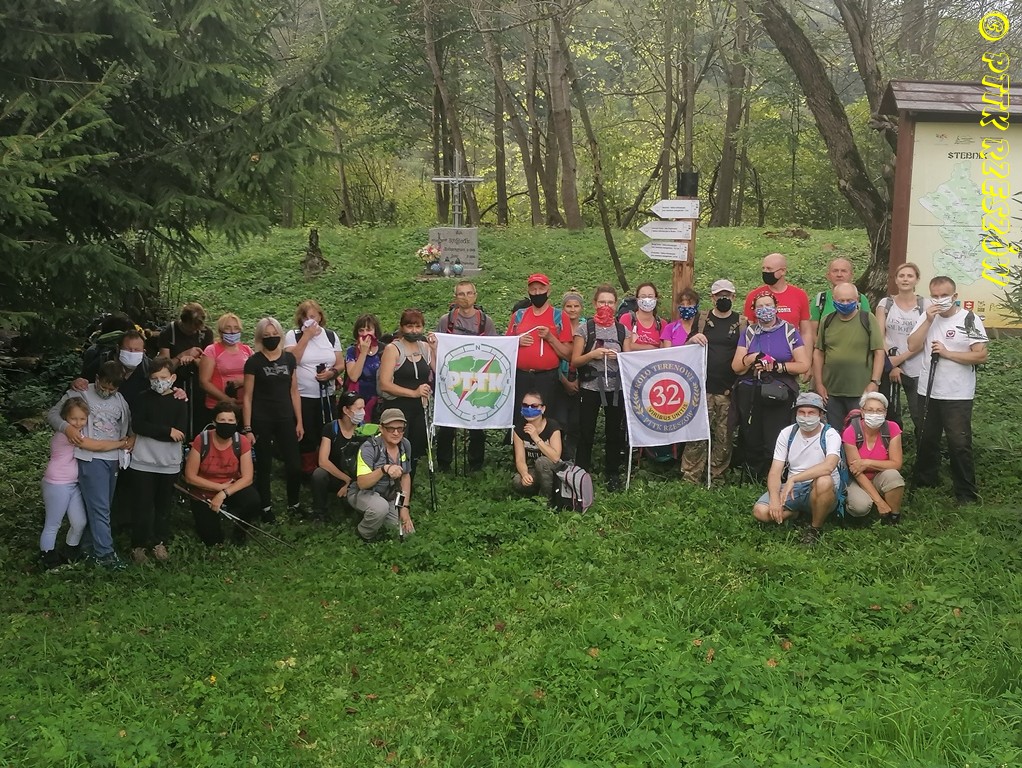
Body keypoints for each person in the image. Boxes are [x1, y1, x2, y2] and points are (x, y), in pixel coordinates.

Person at [907, 275, 988, 503]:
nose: (940, 299)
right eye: (935, 296)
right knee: (926, 437)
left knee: (959, 443)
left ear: (954, 296)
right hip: (927, 390)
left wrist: (947, 353)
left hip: (957, 393)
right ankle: (926, 481)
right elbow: (912, 345)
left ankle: (966, 492)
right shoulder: (926, 316)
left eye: (944, 295)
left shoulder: (969, 318)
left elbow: (980, 355)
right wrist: (927, 321)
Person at [47, 361, 134, 571]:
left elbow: (129, 425)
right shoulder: (81, 392)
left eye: (112, 389)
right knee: (100, 508)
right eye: (104, 386)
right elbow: (52, 415)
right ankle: (105, 555)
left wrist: (131, 439)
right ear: (97, 379)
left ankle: (88, 548)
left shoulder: (120, 400)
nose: (107, 392)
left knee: (100, 508)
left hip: (113, 459)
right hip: (90, 457)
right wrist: (67, 428)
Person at [732, 291, 810, 480]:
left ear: (776, 308)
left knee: (776, 434)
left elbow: (803, 364)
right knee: (752, 434)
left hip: (779, 388)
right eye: (760, 306)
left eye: (768, 305)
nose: (765, 309)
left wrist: (778, 366)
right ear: (754, 310)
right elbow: (736, 367)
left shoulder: (789, 331)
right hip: (753, 387)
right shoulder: (749, 332)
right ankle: (752, 475)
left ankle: (776, 475)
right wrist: (751, 358)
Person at [752, 392, 840, 546]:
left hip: (820, 488)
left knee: (824, 481)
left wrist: (794, 478)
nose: (806, 417)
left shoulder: (830, 434)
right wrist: (774, 499)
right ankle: (795, 513)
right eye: (802, 412)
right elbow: (775, 471)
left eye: (811, 413)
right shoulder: (787, 433)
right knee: (760, 512)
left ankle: (815, 528)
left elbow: (829, 466)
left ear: (821, 415)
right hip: (793, 489)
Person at [681, 279, 746, 485]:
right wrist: (692, 339)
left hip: (728, 390)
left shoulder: (742, 323)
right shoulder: (702, 320)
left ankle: (716, 476)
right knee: (696, 434)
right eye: (719, 295)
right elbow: (685, 349)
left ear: (734, 297)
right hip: (702, 388)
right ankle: (691, 476)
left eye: (727, 295)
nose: (723, 298)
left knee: (724, 436)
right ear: (712, 297)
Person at [124, 357, 188, 563]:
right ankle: (138, 545)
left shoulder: (179, 401)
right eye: (154, 378)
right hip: (142, 461)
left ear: (173, 378)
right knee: (142, 505)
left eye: (163, 377)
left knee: (163, 506)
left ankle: (160, 542)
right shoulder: (143, 398)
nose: (159, 382)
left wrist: (159, 431)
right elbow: (139, 425)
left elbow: (181, 432)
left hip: (169, 463)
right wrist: (167, 431)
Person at [242, 317, 303, 521]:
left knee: (294, 465)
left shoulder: (289, 359)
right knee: (264, 465)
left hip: (285, 417)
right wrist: (248, 427)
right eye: (266, 335)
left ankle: (294, 503)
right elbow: (247, 396)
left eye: (274, 334)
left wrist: (299, 421)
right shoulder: (254, 362)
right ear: (260, 337)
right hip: (262, 419)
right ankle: (265, 507)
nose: (271, 338)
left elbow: (294, 391)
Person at [571, 284, 631, 489]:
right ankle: (581, 472)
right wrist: (592, 355)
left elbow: (630, 361)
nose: (606, 306)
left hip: (616, 388)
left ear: (616, 304)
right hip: (590, 387)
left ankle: (612, 472)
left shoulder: (622, 330)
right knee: (585, 431)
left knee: (613, 432)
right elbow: (575, 360)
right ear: (595, 303)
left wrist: (619, 356)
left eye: (610, 302)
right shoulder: (585, 328)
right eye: (602, 302)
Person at [434, 280, 497, 472]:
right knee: (447, 423)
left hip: (477, 378)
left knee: (477, 422)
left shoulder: (485, 321)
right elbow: (439, 347)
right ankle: (443, 463)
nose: (466, 297)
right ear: (455, 297)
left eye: (469, 293)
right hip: (453, 377)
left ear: (475, 296)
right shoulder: (446, 320)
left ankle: (475, 464)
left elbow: (494, 349)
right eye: (461, 294)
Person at [182, 403, 260, 545]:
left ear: (236, 422)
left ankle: (240, 532)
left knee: (252, 501)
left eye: (231, 420)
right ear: (214, 422)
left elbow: (248, 477)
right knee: (213, 540)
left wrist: (223, 493)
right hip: (203, 493)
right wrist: (218, 488)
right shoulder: (202, 440)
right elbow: (190, 477)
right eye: (222, 420)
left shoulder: (241, 441)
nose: (226, 424)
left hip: (230, 489)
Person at [812, 282, 885, 430]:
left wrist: (875, 382)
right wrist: (819, 383)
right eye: (841, 300)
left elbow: (879, 352)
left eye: (849, 300)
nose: (845, 304)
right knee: (834, 432)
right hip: (832, 392)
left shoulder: (868, 319)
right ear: (834, 300)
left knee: (859, 432)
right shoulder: (827, 320)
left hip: (861, 390)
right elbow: (819, 353)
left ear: (857, 299)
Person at [284, 300, 345, 475]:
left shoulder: (331, 336)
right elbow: (291, 361)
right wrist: (307, 336)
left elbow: (340, 364)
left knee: (326, 431)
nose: (309, 320)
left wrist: (332, 372)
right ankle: (307, 469)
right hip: (303, 395)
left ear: (320, 316)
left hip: (327, 394)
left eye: (312, 316)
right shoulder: (293, 336)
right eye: (305, 317)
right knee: (307, 433)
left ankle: (327, 467)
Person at [506, 273, 573, 422]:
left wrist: (550, 338)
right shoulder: (518, 316)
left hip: (547, 378)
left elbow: (568, 355)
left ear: (549, 291)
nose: (537, 293)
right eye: (533, 289)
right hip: (521, 377)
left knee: (546, 419)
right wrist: (516, 341)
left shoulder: (559, 316)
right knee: (520, 418)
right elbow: (504, 347)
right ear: (528, 292)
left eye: (541, 289)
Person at [378, 309, 435, 477]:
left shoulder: (425, 347)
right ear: (402, 327)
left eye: (418, 327)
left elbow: (439, 371)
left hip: (420, 408)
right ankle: (391, 483)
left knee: (415, 449)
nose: (414, 331)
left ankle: (409, 483)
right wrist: (413, 393)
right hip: (398, 406)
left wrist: (434, 349)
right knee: (396, 449)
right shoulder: (393, 349)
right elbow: (384, 384)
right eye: (410, 326)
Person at [38, 398, 93, 569]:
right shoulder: (66, 434)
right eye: (73, 419)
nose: (78, 423)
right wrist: (122, 442)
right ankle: (47, 557)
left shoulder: (80, 432)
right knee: (53, 523)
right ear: (65, 419)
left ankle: (70, 552)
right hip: (57, 483)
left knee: (79, 522)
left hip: (73, 483)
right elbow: (95, 445)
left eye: (82, 419)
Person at [348, 408, 415, 542]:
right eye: (391, 429)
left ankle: (379, 517)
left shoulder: (405, 444)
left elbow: (405, 476)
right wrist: (384, 469)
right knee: (380, 508)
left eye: (400, 429)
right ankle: (364, 534)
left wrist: (404, 508)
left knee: (408, 533)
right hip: (364, 493)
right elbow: (362, 483)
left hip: (390, 495)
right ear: (381, 428)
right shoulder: (368, 448)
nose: (396, 433)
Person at [875, 262, 925, 439]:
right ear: (895, 279)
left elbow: (925, 339)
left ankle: (922, 450)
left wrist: (900, 359)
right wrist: (892, 365)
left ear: (917, 279)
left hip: (917, 365)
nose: (905, 279)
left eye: (910, 276)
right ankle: (890, 446)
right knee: (889, 412)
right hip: (888, 364)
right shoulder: (885, 304)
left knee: (919, 413)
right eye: (901, 276)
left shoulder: (925, 305)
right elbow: (879, 336)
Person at [842, 392, 906, 524]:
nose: (875, 414)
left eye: (879, 410)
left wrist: (867, 463)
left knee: (894, 476)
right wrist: (879, 502)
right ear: (862, 412)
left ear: (885, 413)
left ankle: (893, 516)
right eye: (870, 410)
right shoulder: (851, 431)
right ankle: (856, 514)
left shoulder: (892, 428)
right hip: (857, 479)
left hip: (880, 476)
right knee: (860, 507)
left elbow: (896, 464)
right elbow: (856, 471)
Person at [158, 302, 214, 438]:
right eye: (192, 328)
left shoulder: (205, 333)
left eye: (198, 328)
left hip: (199, 384)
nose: (194, 331)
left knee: (199, 420)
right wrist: (181, 356)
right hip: (176, 384)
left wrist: (194, 359)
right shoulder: (169, 332)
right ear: (184, 322)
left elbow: (210, 365)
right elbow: (163, 367)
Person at [311, 391, 367, 519]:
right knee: (319, 474)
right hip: (335, 474)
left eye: (363, 408)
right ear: (346, 410)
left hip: (358, 478)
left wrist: (352, 483)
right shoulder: (331, 428)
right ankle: (319, 513)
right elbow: (323, 461)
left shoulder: (364, 430)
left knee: (350, 508)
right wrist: (346, 479)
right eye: (359, 409)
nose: (363, 412)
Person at [742, 252, 814, 351]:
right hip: (762, 355)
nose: (765, 272)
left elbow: (806, 332)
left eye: (769, 269)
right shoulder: (754, 296)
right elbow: (747, 332)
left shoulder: (799, 295)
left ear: (783, 271)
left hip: (793, 355)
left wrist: (807, 357)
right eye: (763, 268)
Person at [73, 329, 151, 410]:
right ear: (118, 348)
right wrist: (77, 383)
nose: (132, 353)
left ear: (143, 352)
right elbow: (82, 383)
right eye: (127, 349)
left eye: (137, 350)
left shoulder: (150, 369)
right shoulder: (101, 362)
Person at [512, 391, 563, 499]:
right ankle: (537, 491)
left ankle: (547, 499)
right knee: (517, 481)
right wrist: (524, 474)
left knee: (542, 462)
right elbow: (520, 460)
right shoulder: (519, 429)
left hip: (555, 469)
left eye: (534, 406)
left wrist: (536, 437)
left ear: (543, 409)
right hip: (534, 469)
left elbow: (555, 457)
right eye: (525, 405)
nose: (529, 408)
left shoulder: (552, 426)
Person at [199, 313, 253, 412]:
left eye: (236, 328)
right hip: (218, 406)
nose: (232, 332)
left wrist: (243, 381)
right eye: (228, 328)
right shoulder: (211, 350)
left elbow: (257, 374)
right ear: (221, 331)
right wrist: (227, 400)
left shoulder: (247, 350)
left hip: (245, 406)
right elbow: (204, 382)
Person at [809, 257, 873, 330]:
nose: (839, 275)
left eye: (844, 271)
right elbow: (812, 332)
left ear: (851, 275)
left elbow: (869, 327)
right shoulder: (820, 299)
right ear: (828, 275)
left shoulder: (860, 299)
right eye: (835, 271)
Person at [558, 290, 585, 461]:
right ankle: (558, 453)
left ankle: (572, 453)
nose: (572, 309)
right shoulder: (557, 326)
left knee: (576, 420)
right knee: (559, 419)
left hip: (581, 379)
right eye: (569, 306)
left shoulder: (587, 327)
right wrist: (564, 380)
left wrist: (579, 380)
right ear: (563, 308)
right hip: (560, 377)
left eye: (576, 306)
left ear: (581, 308)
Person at [344, 314, 383, 420]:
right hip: (357, 400)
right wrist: (363, 353)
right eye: (361, 330)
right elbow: (353, 376)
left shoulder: (384, 349)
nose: (365, 334)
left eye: (368, 330)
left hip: (379, 402)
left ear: (375, 331)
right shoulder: (351, 351)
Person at [621, 282, 664, 350]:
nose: (647, 300)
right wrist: (650, 348)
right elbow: (624, 346)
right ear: (637, 299)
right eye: (643, 296)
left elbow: (664, 350)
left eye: (650, 296)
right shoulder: (627, 319)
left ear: (656, 299)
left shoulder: (662, 324)